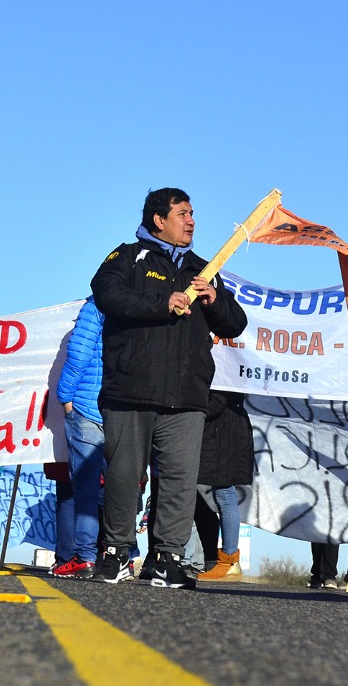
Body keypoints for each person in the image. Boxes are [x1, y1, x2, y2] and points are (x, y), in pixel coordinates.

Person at [90, 187, 248, 588]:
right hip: (130, 392)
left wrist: (213, 300)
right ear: (159, 220)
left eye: (193, 212)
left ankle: (169, 558)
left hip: (187, 397)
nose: (191, 220)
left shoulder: (203, 268)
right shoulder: (127, 257)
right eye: (182, 213)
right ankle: (116, 552)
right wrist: (162, 302)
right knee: (125, 476)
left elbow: (235, 324)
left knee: (180, 480)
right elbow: (107, 293)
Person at [52, 295, 106, 579]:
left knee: (85, 486)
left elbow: (80, 352)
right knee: (120, 484)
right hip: (125, 408)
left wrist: (65, 395)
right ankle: (120, 554)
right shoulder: (144, 303)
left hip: (88, 406)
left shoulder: (97, 305)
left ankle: (85, 556)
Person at [195, 390, 253, 582]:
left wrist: (190, 412)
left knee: (224, 494)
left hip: (223, 433)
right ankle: (228, 561)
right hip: (224, 431)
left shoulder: (224, 367)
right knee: (223, 494)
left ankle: (229, 561)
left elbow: (217, 402)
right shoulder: (230, 365)